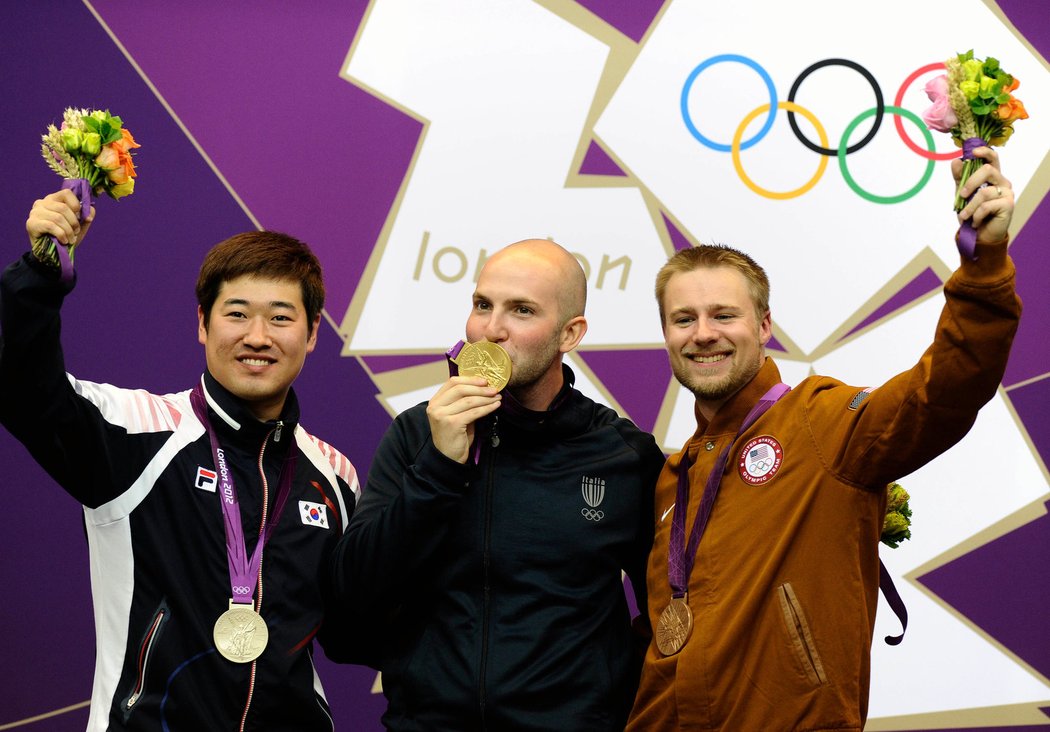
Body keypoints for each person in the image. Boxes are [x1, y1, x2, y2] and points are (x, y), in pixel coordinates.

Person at [626, 147, 1022, 730]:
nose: (703, 334)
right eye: (684, 320)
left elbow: (944, 392)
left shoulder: (823, 422)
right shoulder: (670, 480)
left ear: (764, 326)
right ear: (665, 335)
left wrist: (985, 262)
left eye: (723, 316)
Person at [0, 189, 360, 731]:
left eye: (281, 318)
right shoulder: (135, 430)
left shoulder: (334, 475)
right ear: (202, 324)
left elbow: (352, 628)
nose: (257, 337)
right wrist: (39, 273)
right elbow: (27, 391)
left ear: (311, 334)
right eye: (236, 314)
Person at [329, 239, 665, 730]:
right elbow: (349, 602)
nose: (491, 330)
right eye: (482, 305)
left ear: (570, 334)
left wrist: (601, 701)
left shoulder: (621, 455)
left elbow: (671, 615)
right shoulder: (416, 434)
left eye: (522, 311)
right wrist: (440, 467)